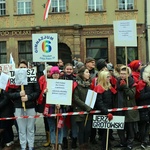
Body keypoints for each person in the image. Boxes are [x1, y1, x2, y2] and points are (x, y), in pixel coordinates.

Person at [6, 60, 40, 150]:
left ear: (27, 68)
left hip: (30, 106)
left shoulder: (32, 77)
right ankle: (23, 147)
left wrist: (28, 97)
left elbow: (37, 91)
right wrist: (18, 94)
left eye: (24, 67)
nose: (23, 69)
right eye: (21, 67)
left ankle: (31, 146)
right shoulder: (13, 79)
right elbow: (9, 94)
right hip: (18, 107)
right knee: (21, 129)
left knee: (30, 128)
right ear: (18, 68)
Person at [114, 66, 139, 150]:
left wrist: (125, 86)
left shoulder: (132, 82)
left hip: (128, 107)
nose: (122, 75)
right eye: (121, 73)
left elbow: (131, 95)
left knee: (130, 127)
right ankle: (122, 142)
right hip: (119, 106)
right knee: (120, 127)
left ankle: (130, 143)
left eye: (124, 74)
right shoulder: (117, 82)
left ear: (128, 74)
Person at [94, 70, 116, 150]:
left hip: (109, 111)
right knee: (104, 132)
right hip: (103, 112)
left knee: (109, 131)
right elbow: (99, 102)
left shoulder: (109, 86)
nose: (109, 78)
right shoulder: (99, 87)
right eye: (107, 77)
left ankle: (108, 146)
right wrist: (106, 112)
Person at [44, 66, 64, 150]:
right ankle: (53, 143)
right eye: (54, 74)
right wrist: (45, 93)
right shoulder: (48, 84)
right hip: (51, 110)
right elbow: (44, 98)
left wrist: (61, 105)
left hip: (60, 109)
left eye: (57, 73)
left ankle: (59, 143)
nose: (56, 75)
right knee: (52, 127)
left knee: (60, 128)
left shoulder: (63, 84)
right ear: (51, 75)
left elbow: (65, 97)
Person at [72, 66, 92, 150]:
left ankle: (86, 145)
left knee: (87, 130)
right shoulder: (76, 84)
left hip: (88, 110)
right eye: (87, 72)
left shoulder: (89, 84)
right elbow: (76, 98)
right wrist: (85, 106)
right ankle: (81, 146)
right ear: (82, 74)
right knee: (82, 130)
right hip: (79, 110)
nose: (89, 74)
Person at [60, 63, 78, 149]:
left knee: (74, 124)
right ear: (64, 69)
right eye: (67, 69)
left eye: (70, 69)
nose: (69, 70)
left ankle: (74, 140)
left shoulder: (76, 80)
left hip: (73, 105)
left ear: (72, 70)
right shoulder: (60, 79)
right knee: (64, 125)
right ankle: (64, 141)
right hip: (64, 106)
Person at [37, 65, 52, 147]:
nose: (49, 73)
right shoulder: (42, 78)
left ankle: (54, 139)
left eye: (50, 71)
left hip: (53, 104)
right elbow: (39, 90)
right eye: (48, 71)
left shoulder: (55, 78)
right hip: (44, 103)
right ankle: (48, 139)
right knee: (46, 122)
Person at [136, 64, 150, 149]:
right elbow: (140, 96)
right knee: (143, 125)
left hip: (148, 108)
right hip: (143, 108)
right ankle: (143, 141)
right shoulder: (142, 83)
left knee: (147, 125)